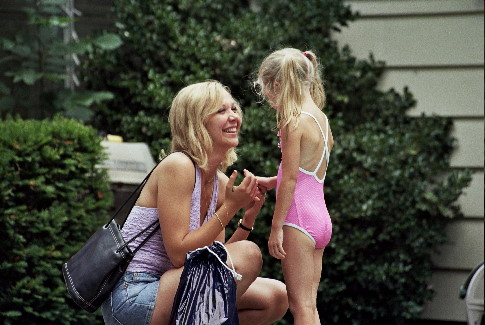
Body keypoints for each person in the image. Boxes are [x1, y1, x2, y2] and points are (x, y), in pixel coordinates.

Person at [101, 80, 288, 325]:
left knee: (275, 297)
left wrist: (247, 217)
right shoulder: (178, 166)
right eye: (221, 111)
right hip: (135, 293)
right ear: (196, 123)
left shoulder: (219, 182)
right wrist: (230, 206)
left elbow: (218, 260)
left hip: (176, 285)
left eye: (233, 109)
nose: (233, 116)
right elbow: (180, 255)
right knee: (249, 254)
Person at [254, 48, 334, 325]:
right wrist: (270, 181)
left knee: (300, 309)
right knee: (310, 308)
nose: (268, 98)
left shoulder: (293, 121)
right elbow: (306, 174)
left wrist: (276, 228)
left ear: (277, 84)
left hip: (298, 220)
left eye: (267, 89)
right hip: (320, 219)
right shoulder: (321, 120)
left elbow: (290, 180)